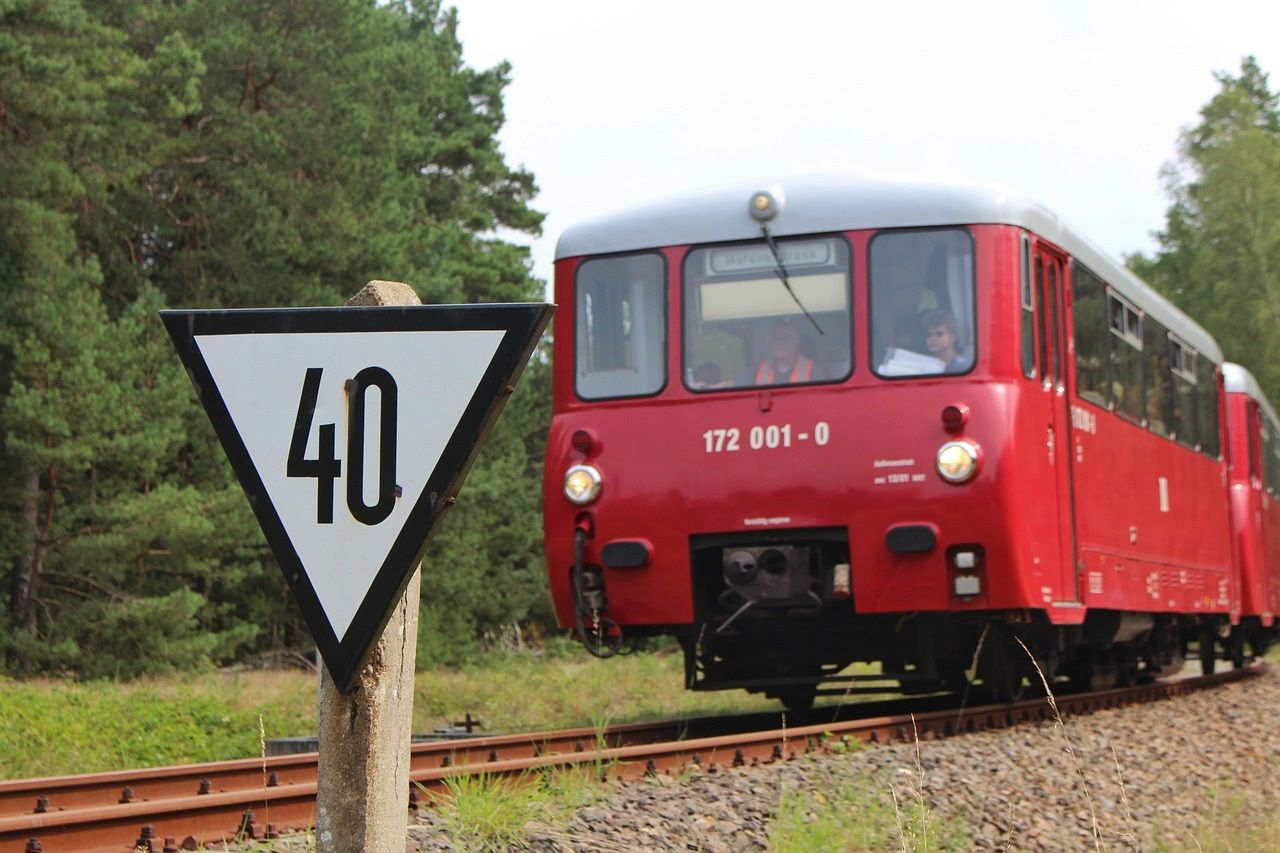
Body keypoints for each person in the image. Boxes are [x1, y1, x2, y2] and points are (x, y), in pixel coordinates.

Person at [754, 320, 815, 385]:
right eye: (777, 339)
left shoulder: (813, 371)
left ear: (797, 342)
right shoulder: (756, 371)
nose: (781, 343)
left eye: (786, 338)